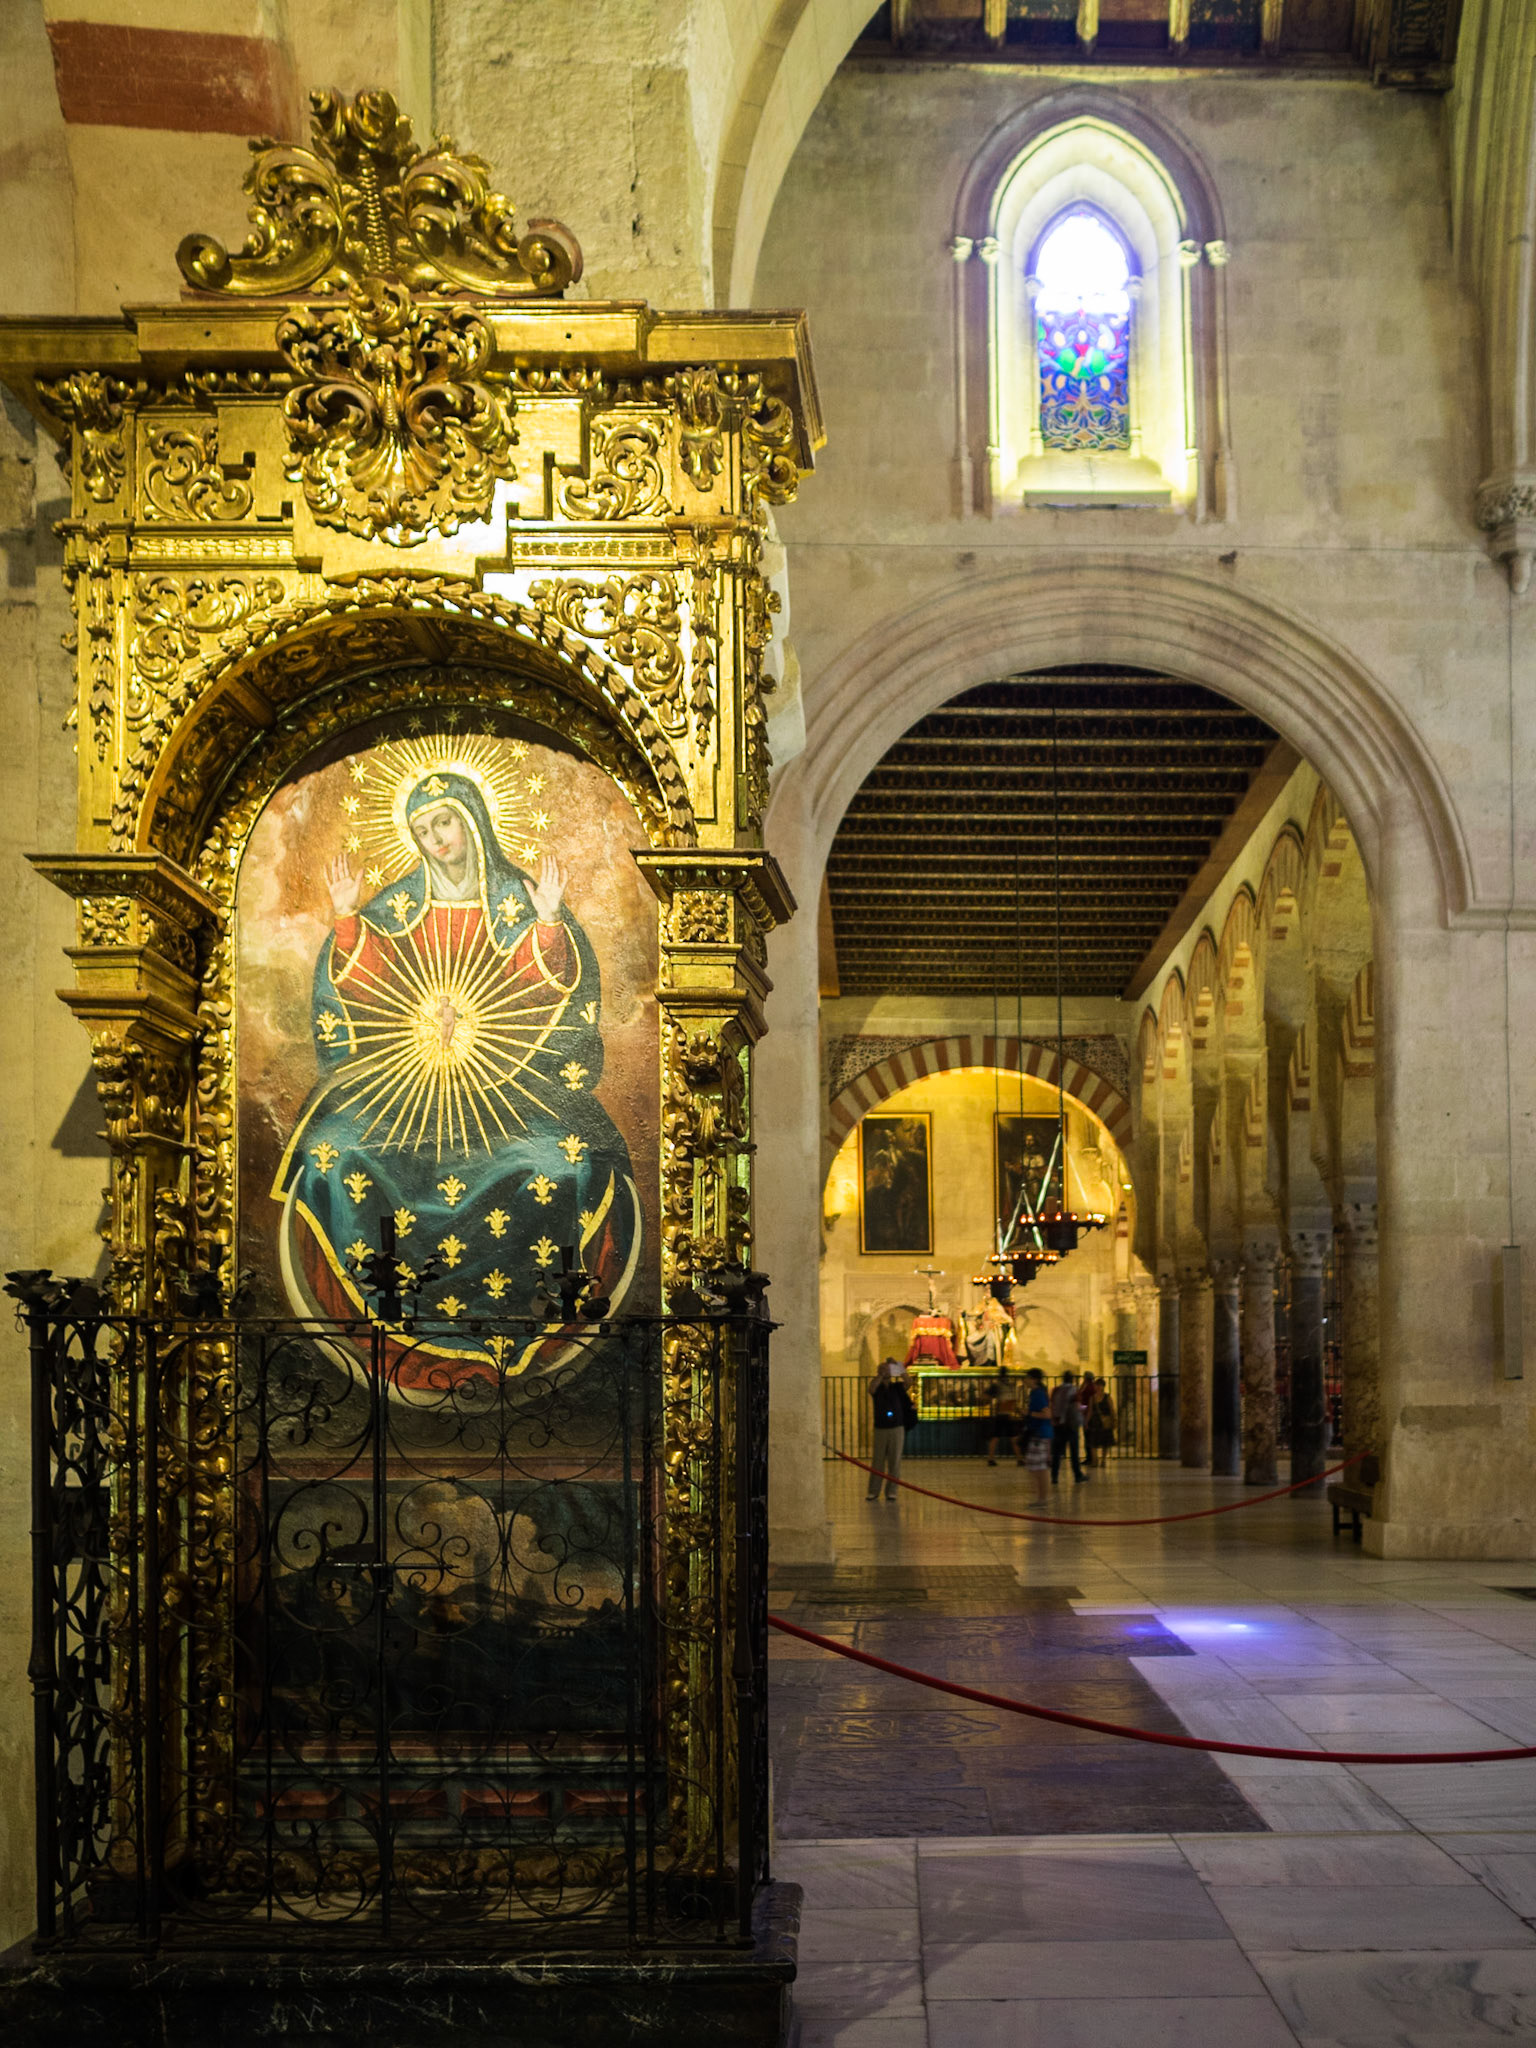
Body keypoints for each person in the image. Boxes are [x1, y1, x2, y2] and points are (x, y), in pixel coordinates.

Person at [274, 762, 642, 1388]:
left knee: (568, 1162)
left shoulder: (518, 902)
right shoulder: (395, 911)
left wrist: (548, 923)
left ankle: (524, 1316)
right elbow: (367, 986)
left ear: (472, 821)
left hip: (510, 1089)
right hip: (403, 1093)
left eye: (443, 822)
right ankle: (393, 1317)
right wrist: (347, 920)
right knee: (328, 1151)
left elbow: (546, 995)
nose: (435, 840)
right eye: (422, 831)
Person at [866, 1358, 917, 1501]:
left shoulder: (897, 1387)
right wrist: (880, 1375)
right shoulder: (877, 1387)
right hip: (880, 1428)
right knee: (878, 1461)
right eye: (882, 1368)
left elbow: (909, 1382)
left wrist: (898, 1366)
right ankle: (873, 1491)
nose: (885, 1371)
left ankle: (891, 1491)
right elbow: (871, 1389)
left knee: (894, 1461)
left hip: (897, 1428)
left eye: (887, 1369)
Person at [1020, 1367, 1052, 1505]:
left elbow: (1047, 1414)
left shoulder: (1038, 1394)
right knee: (1034, 1467)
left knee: (1039, 1468)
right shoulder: (1035, 1393)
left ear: (1034, 1380)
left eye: (1027, 1378)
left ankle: (1042, 1498)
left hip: (1040, 1434)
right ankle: (1040, 1497)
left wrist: (1028, 1413)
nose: (1025, 1380)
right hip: (1037, 1433)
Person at [1049, 1369, 1086, 1484]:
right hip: (1070, 1425)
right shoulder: (1074, 1390)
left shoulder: (1056, 1390)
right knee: (1074, 1452)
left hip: (1058, 1424)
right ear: (1072, 1379)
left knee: (1057, 1452)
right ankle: (1077, 1475)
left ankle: (1054, 1476)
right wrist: (1085, 1408)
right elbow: (1078, 1407)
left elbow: (1052, 1405)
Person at [985, 1364, 1024, 1466]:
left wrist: (992, 1402)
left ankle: (990, 1458)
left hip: (1000, 1414)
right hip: (1009, 1414)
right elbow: (1014, 1401)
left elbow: (986, 1397)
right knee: (1014, 1437)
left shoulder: (996, 1385)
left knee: (995, 1437)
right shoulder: (1011, 1385)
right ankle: (1019, 1459)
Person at [1084, 1374, 1118, 1468]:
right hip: (1095, 1423)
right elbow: (1090, 1411)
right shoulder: (1092, 1398)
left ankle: (1103, 1460)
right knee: (1093, 1442)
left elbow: (1112, 1410)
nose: (1098, 1387)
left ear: (1103, 1386)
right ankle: (1095, 1460)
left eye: (1100, 1385)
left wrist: (1114, 1420)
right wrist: (1086, 1422)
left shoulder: (1107, 1397)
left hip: (1105, 1422)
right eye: (1097, 1385)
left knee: (1105, 1443)